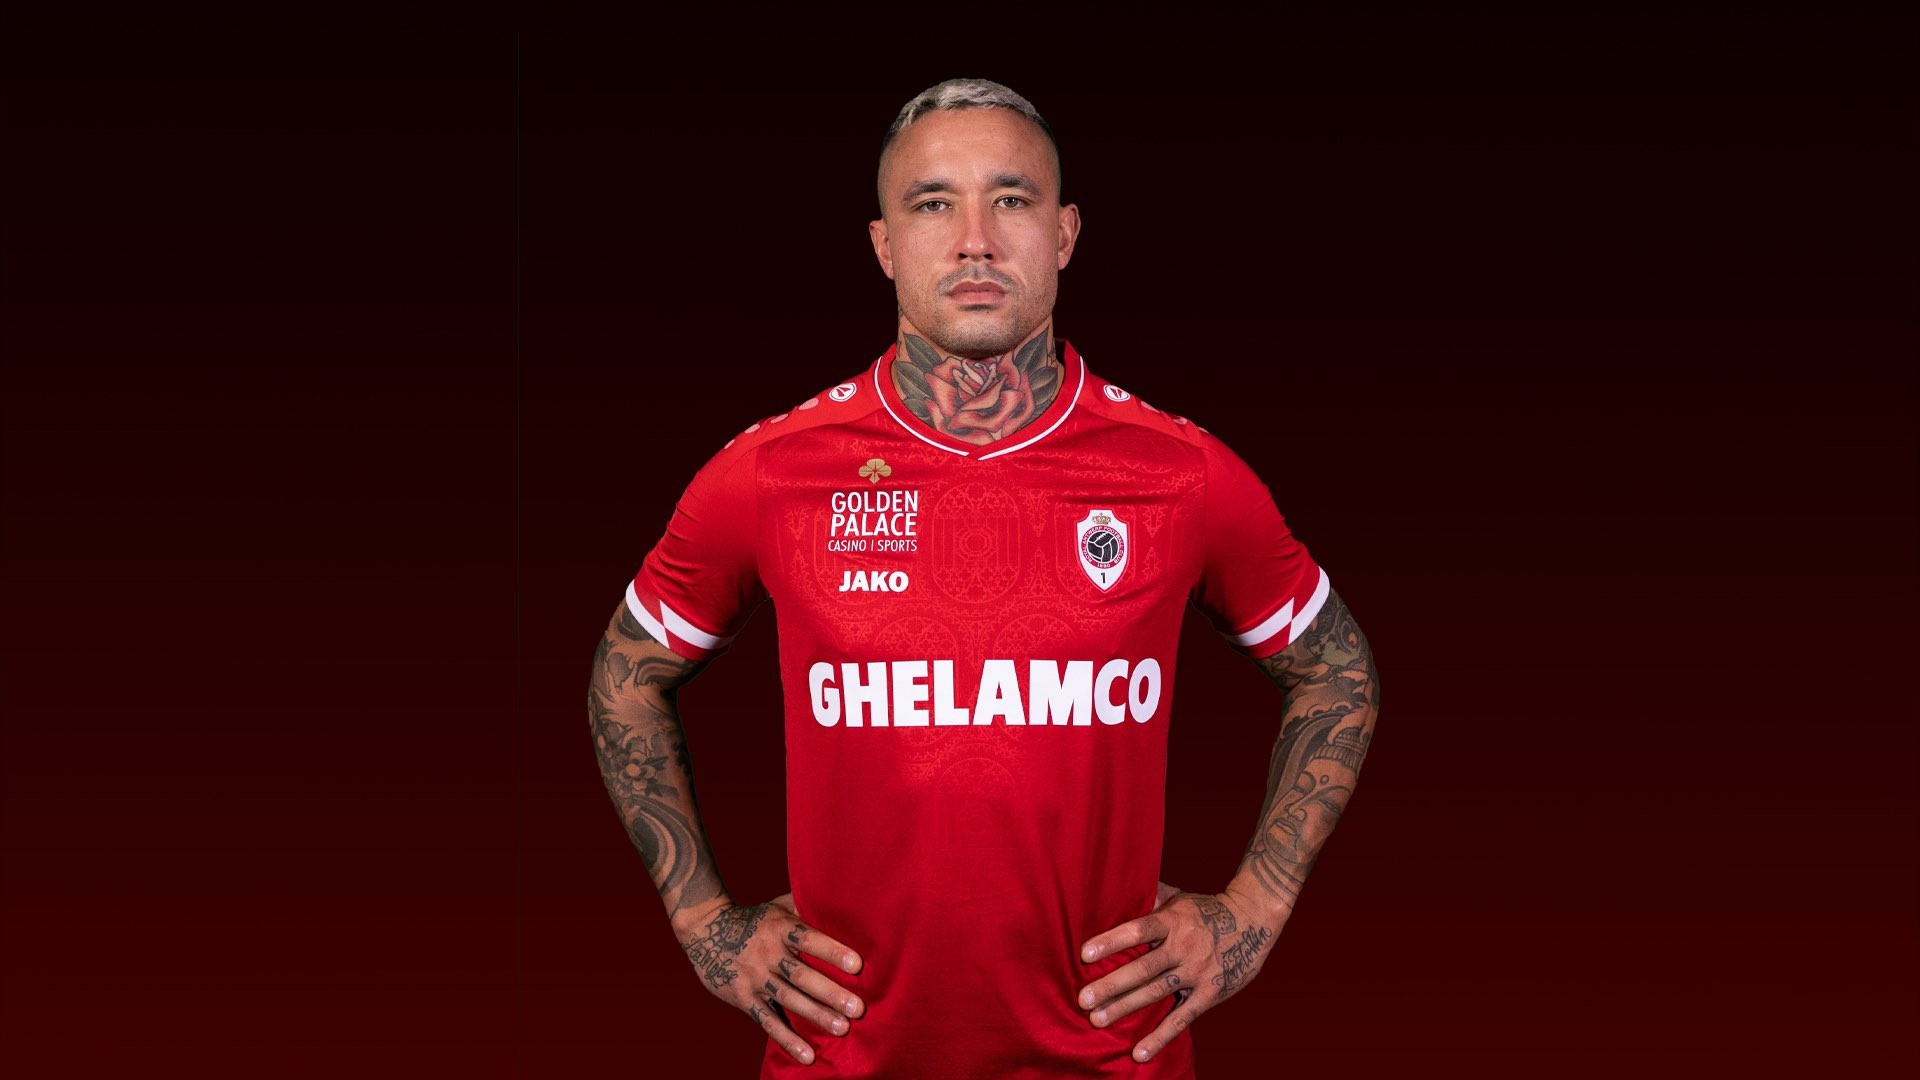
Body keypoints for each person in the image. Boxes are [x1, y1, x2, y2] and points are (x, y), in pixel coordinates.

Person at [588, 77, 1381, 1078]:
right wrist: (706, 923)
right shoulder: (772, 473)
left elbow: (1337, 673)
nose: (975, 239)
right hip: (843, 1062)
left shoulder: (1180, 473)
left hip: (1113, 1061)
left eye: (1012, 199)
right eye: (934, 204)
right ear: (884, 244)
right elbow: (626, 676)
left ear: (1065, 233)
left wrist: (1253, 909)